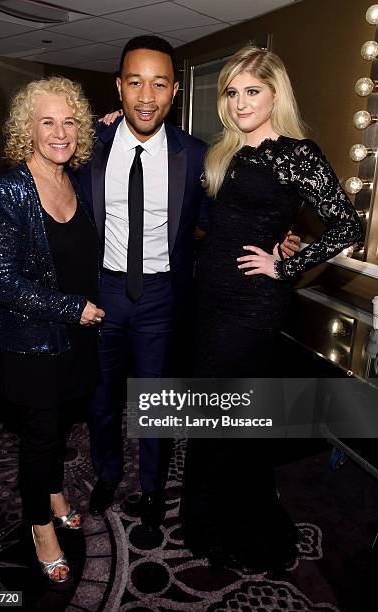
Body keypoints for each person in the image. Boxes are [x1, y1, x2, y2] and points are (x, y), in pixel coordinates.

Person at [77, 36, 299, 529]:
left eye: (159, 83)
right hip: (104, 292)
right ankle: (107, 474)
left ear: (175, 91)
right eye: (135, 82)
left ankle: (154, 490)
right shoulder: (90, 145)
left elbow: (228, 215)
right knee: (102, 397)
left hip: (161, 297)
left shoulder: (197, 155)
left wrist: (278, 236)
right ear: (119, 87)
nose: (146, 95)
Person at [180, 46, 362, 572]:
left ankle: (236, 522)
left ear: (275, 93)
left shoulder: (297, 154)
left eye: (251, 91)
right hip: (210, 300)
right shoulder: (226, 153)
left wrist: (285, 265)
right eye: (232, 93)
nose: (239, 102)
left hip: (251, 306)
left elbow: (347, 224)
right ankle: (209, 514)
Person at [0, 77, 105, 582]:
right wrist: (71, 308)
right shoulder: (11, 190)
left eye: (69, 121)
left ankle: (54, 491)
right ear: (27, 130)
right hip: (33, 342)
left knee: (59, 427)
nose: (60, 133)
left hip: (75, 337)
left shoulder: (74, 179)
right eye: (47, 122)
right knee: (37, 437)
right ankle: (40, 527)